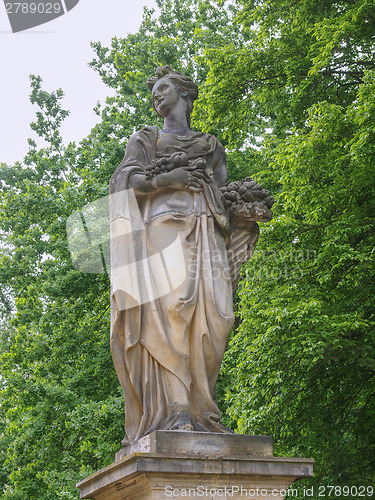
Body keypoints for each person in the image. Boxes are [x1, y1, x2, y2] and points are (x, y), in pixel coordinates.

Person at [109, 66, 237, 445]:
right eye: (153, 92)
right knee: (171, 314)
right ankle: (178, 410)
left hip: (205, 231)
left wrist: (245, 207)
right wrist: (168, 179)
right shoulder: (144, 139)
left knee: (217, 317)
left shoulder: (211, 145)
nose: (156, 96)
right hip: (161, 230)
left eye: (163, 88)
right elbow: (124, 182)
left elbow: (224, 194)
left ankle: (203, 409)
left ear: (185, 93)